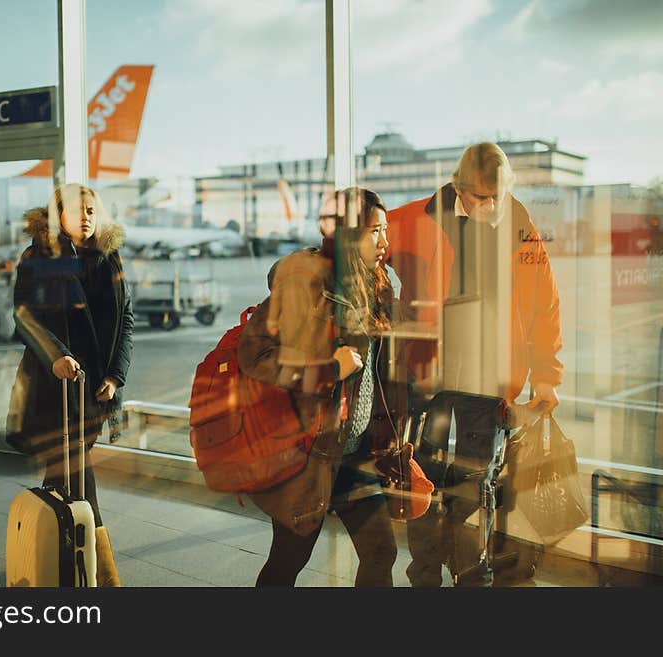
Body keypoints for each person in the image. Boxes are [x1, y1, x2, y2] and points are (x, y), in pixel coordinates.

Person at [386, 142, 564, 586]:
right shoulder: (417, 218)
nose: (492, 206)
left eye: (499, 196)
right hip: (430, 380)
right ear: (460, 188)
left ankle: (466, 568)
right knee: (422, 481)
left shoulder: (519, 223)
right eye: (482, 198)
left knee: (473, 483)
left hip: (489, 381)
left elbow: (546, 303)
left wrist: (547, 376)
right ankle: (425, 573)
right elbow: (360, 245)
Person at [239, 187, 408, 587]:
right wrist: (328, 367)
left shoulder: (376, 285)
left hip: (354, 452)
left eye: (385, 230)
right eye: (374, 231)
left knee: (380, 551)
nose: (385, 241)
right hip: (309, 454)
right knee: (286, 562)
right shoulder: (306, 286)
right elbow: (255, 355)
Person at [5, 183, 133, 587]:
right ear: (57, 215)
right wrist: (57, 353)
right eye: (78, 209)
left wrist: (116, 375)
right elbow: (25, 315)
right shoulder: (38, 259)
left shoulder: (109, 259)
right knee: (76, 474)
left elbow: (126, 320)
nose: (87, 216)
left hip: (95, 391)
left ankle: (48, 558)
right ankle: (101, 576)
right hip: (55, 388)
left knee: (62, 480)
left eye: (92, 209)